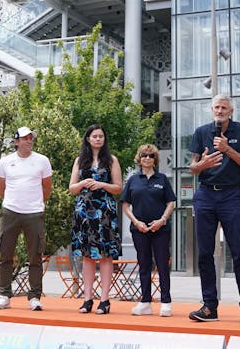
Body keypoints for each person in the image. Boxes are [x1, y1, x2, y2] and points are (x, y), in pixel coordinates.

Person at [188, 93, 240, 324]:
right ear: (211, 110)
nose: (220, 111)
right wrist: (202, 164)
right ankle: (209, 307)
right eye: (216, 107)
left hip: (231, 195)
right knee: (204, 253)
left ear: (231, 111)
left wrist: (227, 149)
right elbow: (193, 168)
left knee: (238, 252)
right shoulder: (201, 132)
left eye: (224, 107)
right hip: (206, 194)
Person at [0, 126, 52, 311]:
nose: (29, 141)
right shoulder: (5, 161)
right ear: (16, 141)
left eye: (31, 138)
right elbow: (1, 188)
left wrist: (34, 203)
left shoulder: (42, 161)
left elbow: (47, 188)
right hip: (10, 211)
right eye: (25, 138)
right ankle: (4, 296)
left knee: (35, 255)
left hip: (34, 213)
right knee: (5, 254)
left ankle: (34, 297)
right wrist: (13, 202)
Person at [68, 124, 123, 315]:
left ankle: (105, 300)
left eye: (101, 136)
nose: (98, 139)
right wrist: (83, 183)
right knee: (87, 256)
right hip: (84, 211)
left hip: (104, 211)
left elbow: (118, 188)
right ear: (88, 139)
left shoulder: (111, 160)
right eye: (94, 136)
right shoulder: (79, 161)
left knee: (106, 255)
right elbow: (72, 188)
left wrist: (101, 184)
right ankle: (87, 298)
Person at [121, 143, 175, 317]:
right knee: (144, 265)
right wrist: (136, 222)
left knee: (162, 265)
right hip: (140, 230)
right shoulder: (133, 180)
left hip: (160, 229)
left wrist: (162, 220)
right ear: (139, 158)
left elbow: (171, 202)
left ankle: (166, 302)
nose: (146, 158)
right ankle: (145, 302)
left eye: (150, 156)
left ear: (155, 159)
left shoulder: (162, 179)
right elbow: (126, 205)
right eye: (144, 155)